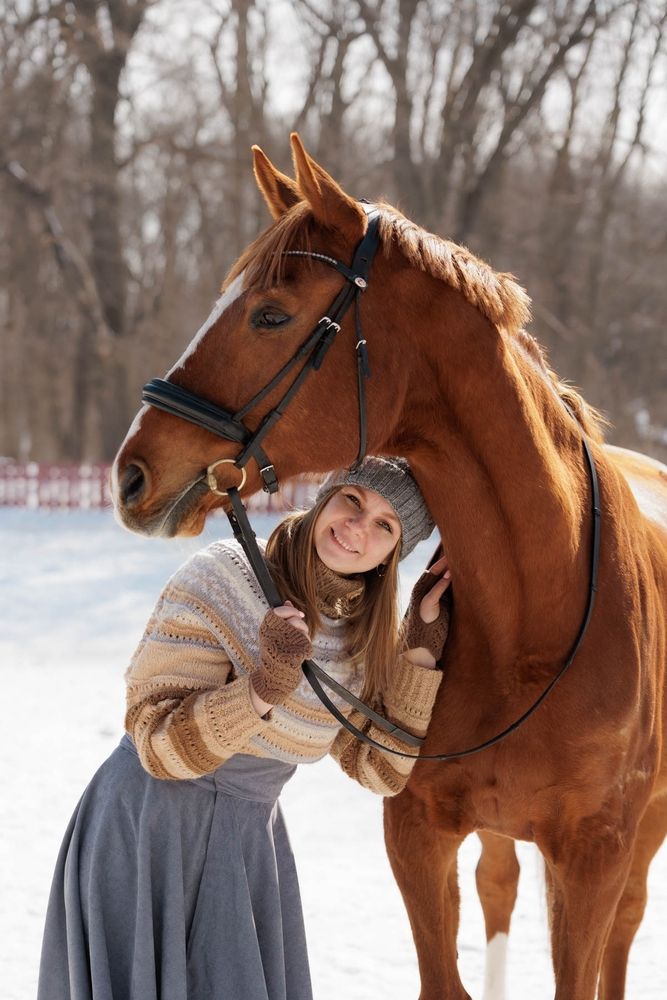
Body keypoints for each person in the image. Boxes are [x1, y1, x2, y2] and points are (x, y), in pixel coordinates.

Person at [37, 456, 451, 1000]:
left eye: (384, 525)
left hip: (245, 847)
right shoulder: (225, 575)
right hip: (149, 829)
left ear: (395, 552)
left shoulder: (359, 637)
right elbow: (156, 748)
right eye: (353, 500)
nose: (357, 527)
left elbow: (379, 769)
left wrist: (422, 644)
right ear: (326, 496)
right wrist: (261, 689)